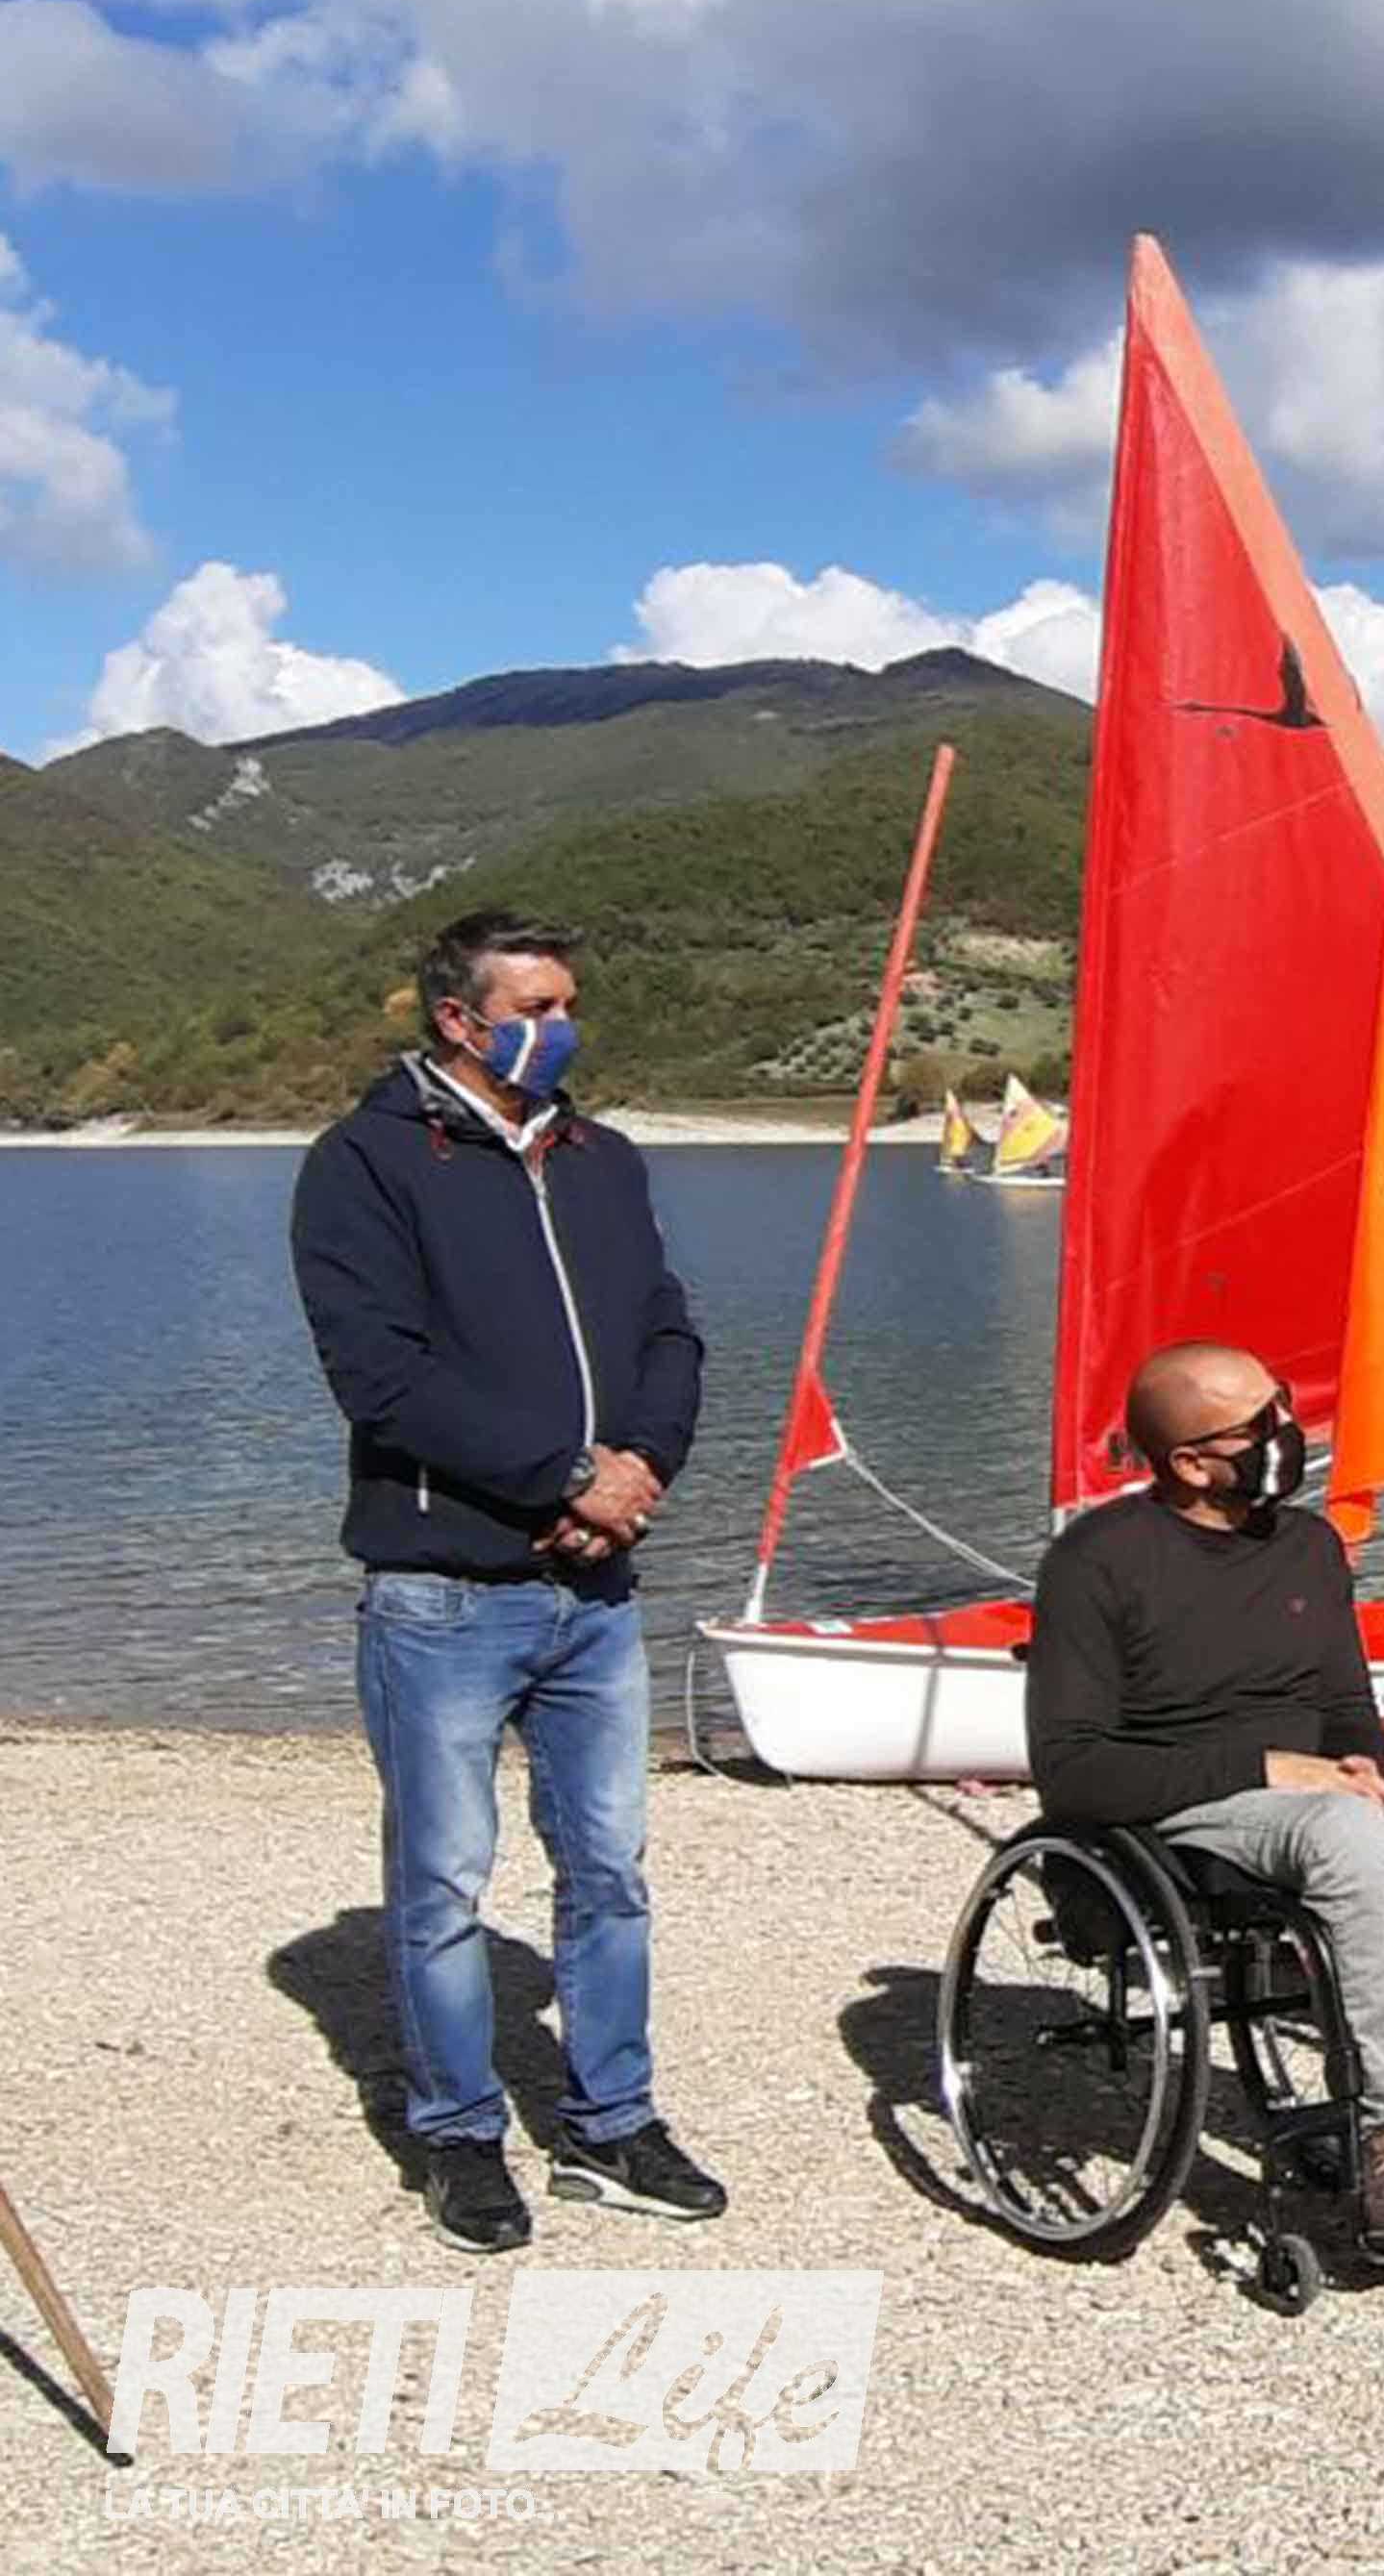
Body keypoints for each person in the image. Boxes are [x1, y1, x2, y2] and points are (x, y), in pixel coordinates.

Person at [289, 910, 719, 2254]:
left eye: (567, 1003)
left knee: (610, 1872)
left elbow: (667, 1329)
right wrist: (562, 1476)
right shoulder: (364, 1164)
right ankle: (459, 2134)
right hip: (443, 1596)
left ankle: (612, 2123)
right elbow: (383, 1377)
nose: (560, 1025)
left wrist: (639, 1467)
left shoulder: (601, 1158)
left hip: (596, 1593)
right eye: (533, 1007)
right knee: (442, 1884)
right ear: (457, 1020)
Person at [1026, 1341, 1384, 2247]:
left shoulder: (1308, 1547)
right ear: (1191, 1463)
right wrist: (1267, 1768)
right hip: (1188, 1806)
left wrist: (1361, 1767)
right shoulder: (1097, 1560)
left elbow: (1347, 1703)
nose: (1288, 1431)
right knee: (1340, 1834)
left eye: (1279, 1405)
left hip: (1322, 1796)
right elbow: (1073, 1771)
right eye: (1260, 1424)